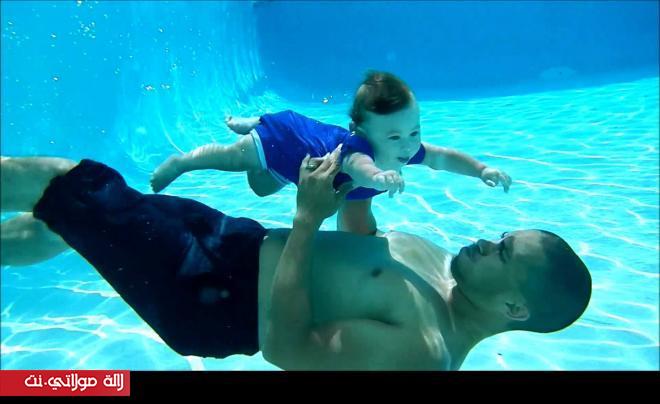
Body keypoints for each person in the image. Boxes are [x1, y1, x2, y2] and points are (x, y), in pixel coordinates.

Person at [0, 151, 590, 370]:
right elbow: (362, 244)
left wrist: (307, 219)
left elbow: (288, 348)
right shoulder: (444, 265)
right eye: (500, 235)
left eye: (502, 252)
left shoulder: (424, 350)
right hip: (236, 243)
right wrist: (358, 177)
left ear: (514, 307)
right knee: (67, 223)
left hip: (209, 295)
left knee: (73, 184)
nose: (486, 242)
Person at [150, 71, 512, 235]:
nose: (407, 145)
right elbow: (363, 170)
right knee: (235, 159)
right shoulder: (358, 152)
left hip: (307, 167)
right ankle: (185, 162)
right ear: (362, 132)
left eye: (414, 132)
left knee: (262, 188)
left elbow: (442, 157)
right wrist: (381, 177)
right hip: (285, 140)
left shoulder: (405, 149)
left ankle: (256, 124)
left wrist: (481, 169)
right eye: (394, 136)